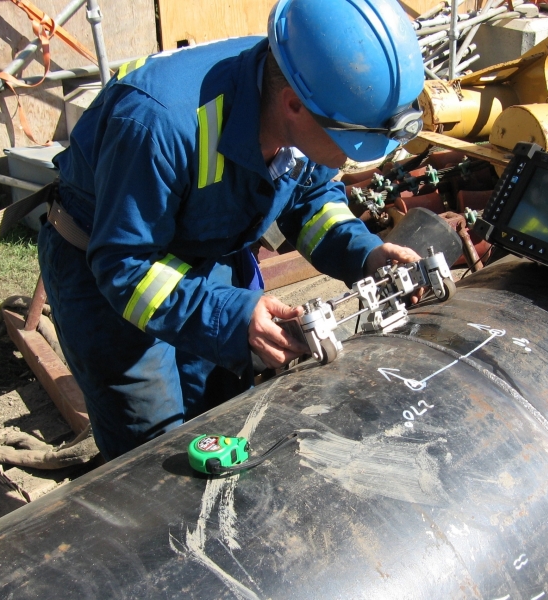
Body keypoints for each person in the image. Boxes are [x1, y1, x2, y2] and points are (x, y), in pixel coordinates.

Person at [37, 0, 426, 460]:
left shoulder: (302, 88)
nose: (352, 155)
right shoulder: (157, 122)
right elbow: (124, 265)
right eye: (349, 140)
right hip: (110, 272)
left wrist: (366, 255)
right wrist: (232, 315)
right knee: (153, 451)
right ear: (293, 106)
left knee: (223, 420)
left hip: (204, 251)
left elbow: (312, 201)